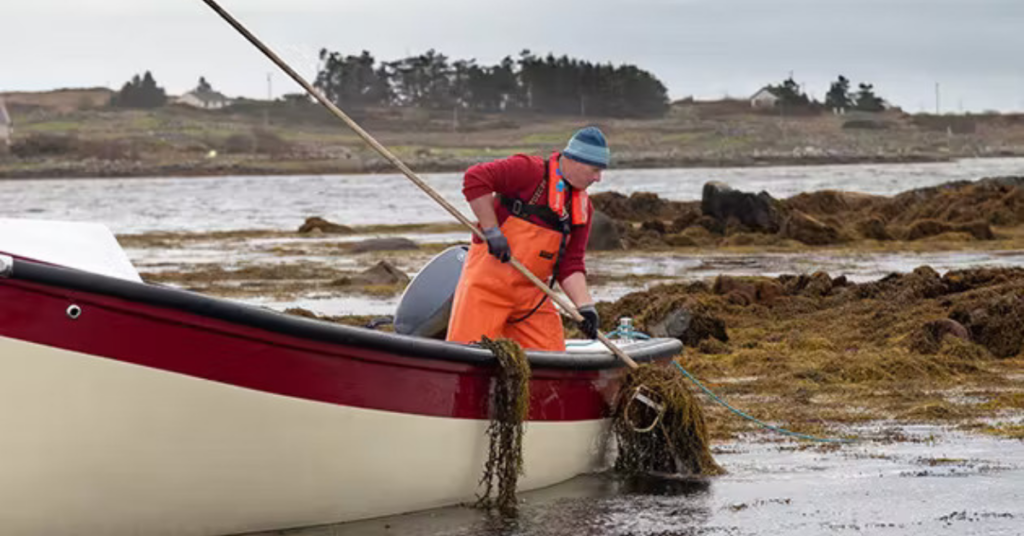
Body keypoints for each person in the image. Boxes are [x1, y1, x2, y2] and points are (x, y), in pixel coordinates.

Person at [446, 126, 609, 351]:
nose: (598, 178)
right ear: (576, 160)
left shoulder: (583, 208)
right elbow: (475, 178)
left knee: (554, 359)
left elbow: (570, 264)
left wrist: (585, 307)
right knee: (468, 355)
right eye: (595, 169)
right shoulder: (527, 170)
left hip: (532, 298)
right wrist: (491, 229)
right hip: (485, 290)